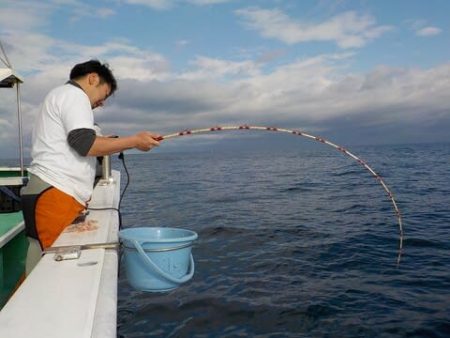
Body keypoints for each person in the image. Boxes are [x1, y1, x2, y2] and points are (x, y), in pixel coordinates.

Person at [21, 60, 161, 274]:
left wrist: (119, 141)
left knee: (42, 265)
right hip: (54, 194)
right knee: (48, 270)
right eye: (104, 94)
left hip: (54, 193)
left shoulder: (61, 96)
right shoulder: (75, 95)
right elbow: (85, 144)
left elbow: (87, 140)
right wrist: (134, 141)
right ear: (93, 78)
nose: (102, 102)